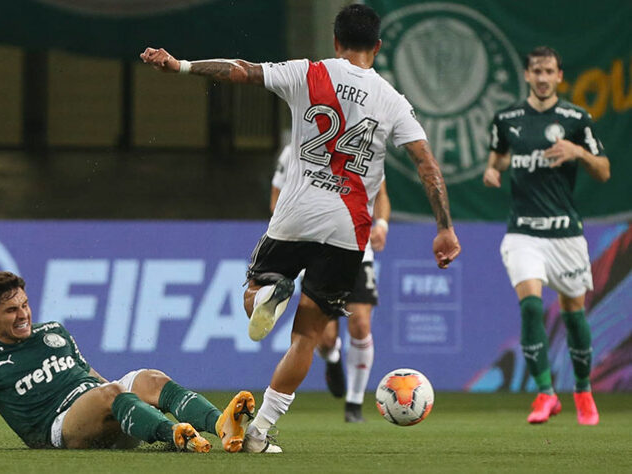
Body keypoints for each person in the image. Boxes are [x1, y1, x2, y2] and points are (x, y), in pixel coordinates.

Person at [140, 3, 460, 453]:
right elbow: (427, 166)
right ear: (378, 47)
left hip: (295, 215)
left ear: (335, 41)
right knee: (307, 337)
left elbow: (242, 71)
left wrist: (183, 66)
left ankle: (269, 291)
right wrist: (444, 228)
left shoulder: (308, 73)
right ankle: (259, 432)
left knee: (253, 293)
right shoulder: (392, 100)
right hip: (349, 232)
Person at [0, 271, 255, 452]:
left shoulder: (54, 331)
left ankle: (222, 426)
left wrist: (129, 403)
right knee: (112, 393)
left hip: (96, 407)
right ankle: (177, 437)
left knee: (150, 376)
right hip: (57, 429)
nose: (23, 315)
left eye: (25, 305)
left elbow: (92, 379)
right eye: (12, 310)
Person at [483, 46, 610, 425]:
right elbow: (499, 158)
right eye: (536, 71)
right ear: (527, 75)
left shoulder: (576, 119)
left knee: (573, 317)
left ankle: (584, 392)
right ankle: (545, 393)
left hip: (565, 234)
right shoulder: (507, 119)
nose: (542, 78)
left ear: (559, 76)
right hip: (523, 232)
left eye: (549, 71)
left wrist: (578, 152)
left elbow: (603, 171)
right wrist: (493, 172)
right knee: (532, 306)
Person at [271, 143, 390, 423]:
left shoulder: (366, 147)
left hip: (357, 249)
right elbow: (275, 197)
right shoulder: (296, 149)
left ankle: (355, 403)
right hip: (316, 251)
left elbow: (382, 195)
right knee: (323, 338)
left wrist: (382, 224)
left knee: (360, 323)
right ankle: (333, 356)